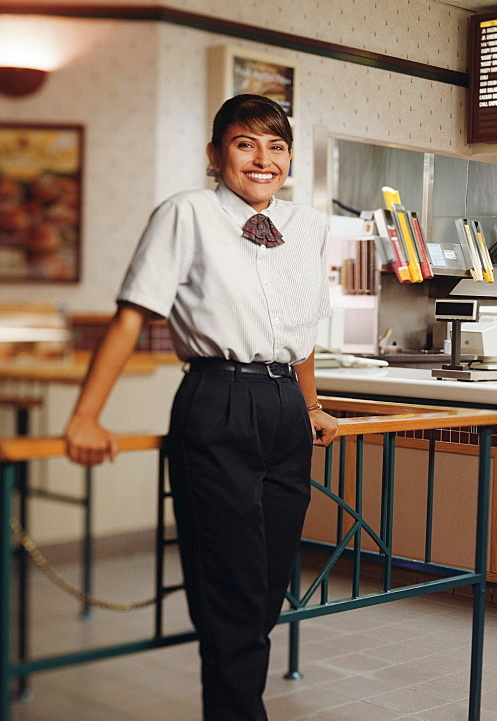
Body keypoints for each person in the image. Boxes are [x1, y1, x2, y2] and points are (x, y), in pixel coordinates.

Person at [64, 94, 339, 721]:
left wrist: (312, 405)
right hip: (218, 401)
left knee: (266, 589)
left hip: (283, 413)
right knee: (231, 594)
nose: (262, 159)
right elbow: (133, 316)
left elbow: (303, 331)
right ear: (216, 155)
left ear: (290, 158)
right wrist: (87, 414)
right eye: (245, 143)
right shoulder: (186, 213)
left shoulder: (309, 225)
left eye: (276, 146)